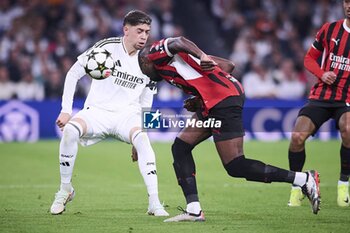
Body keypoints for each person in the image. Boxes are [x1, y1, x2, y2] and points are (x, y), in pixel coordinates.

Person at [137, 36, 321, 222]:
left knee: (235, 165)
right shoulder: (178, 64)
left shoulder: (154, 54)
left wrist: (202, 56)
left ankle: (303, 179)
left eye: (143, 69)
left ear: (145, 61)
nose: (145, 74)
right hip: (213, 103)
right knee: (180, 147)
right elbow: (228, 66)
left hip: (223, 101)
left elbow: (178, 41)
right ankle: (194, 210)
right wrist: (200, 98)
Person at [50, 10, 169, 217]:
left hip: (127, 115)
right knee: (69, 131)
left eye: (147, 32)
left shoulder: (150, 59)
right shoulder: (106, 47)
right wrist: (66, 111)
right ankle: (65, 189)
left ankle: (154, 202)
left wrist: (144, 131)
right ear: (126, 30)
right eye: (139, 31)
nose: (144, 36)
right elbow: (73, 74)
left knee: (143, 141)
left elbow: (148, 100)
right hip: (98, 112)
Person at [288, 0, 350, 208]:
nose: (349, 5)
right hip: (321, 96)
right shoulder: (329, 29)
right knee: (297, 137)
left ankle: (344, 183)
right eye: (347, 1)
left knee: (348, 130)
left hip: (347, 98)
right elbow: (309, 59)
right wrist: (322, 74)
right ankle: (297, 186)